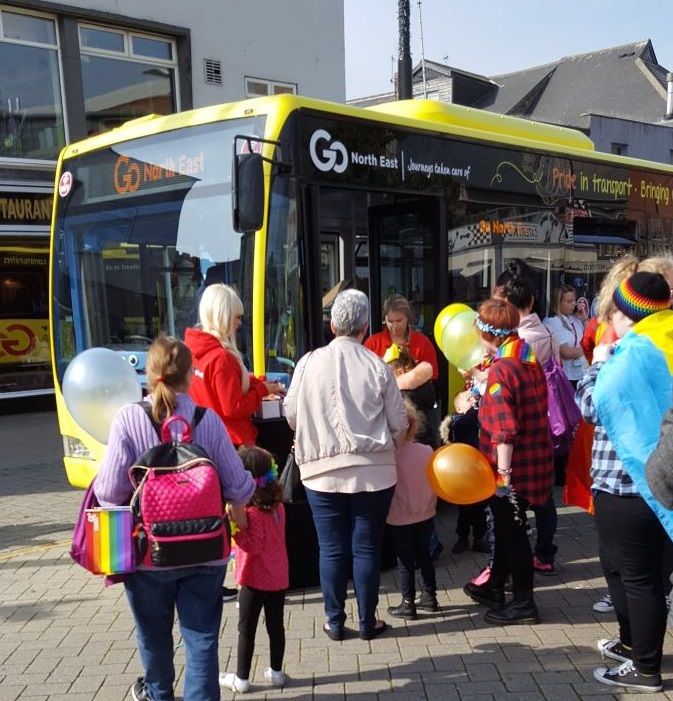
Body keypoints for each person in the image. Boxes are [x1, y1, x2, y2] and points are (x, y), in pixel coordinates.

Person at [93, 335, 255, 701]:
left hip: (148, 554)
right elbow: (238, 486)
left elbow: (108, 493)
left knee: (153, 636)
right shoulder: (207, 419)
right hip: (205, 550)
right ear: (189, 376)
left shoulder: (129, 418)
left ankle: (158, 694)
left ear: (148, 375)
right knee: (201, 640)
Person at [284, 289, 408, 641]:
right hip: (375, 471)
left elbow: (291, 414)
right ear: (366, 326)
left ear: (333, 324)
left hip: (320, 473)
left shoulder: (307, 363)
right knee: (366, 546)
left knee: (331, 548)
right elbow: (398, 422)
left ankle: (335, 622)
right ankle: (368, 623)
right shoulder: (377, 365)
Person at [576, 271, 672, 692]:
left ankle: (645, 667)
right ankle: (634, 646)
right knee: (639, 575)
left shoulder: (630, 354)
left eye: (613, 311)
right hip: (656, 483)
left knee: (639, 579)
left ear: (627, 314)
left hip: (628, 483)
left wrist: (595, 366)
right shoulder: (663, 343)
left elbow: (591, 407)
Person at [463, 298, 553, 625]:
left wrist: (502, 479)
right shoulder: (527, 358)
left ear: (489, 334)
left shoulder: (503, 369)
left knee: (513, 533)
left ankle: (524, 602)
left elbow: (504, 430)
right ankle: (495, 585)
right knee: (506, 529)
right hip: (536, 462)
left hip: (513, 470)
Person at [494, 262, 560, 575]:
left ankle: (532, 557)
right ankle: (543, 552)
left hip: (527, 422)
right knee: (543, 496)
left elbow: (507, 394)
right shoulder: (543, 331)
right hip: (540, 421)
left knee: (520, 499)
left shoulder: (521, 341)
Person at [219, 446, 289, 694]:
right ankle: (277, 672)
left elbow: (253, 546)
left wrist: (236, 528)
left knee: (246, 629)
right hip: (278, 578)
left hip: (253, 580)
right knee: (275, 626)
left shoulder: (252, 514)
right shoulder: (278, 508)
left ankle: (241, 678)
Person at [184, 283, 285, 449]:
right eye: (237, 317)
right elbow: (234, 407)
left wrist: (257, 383)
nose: (239, 324)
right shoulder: (222, 358)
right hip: (233, 443)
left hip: (205, 439)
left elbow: (222, 386)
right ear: (223, 317)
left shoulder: (193, 351)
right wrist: (262, 390)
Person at [364, 293, 439, 446]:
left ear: (408, 319)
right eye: (390, 321)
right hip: (383, 415)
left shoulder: (421, 342)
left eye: (399, 320)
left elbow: (433, 376)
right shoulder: (373, 343)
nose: (394, 326)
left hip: (418, 415)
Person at [386, 399, 437, 620]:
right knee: (424, 554)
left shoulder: (390, 457)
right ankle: (430, 597)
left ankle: (408, 602)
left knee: (405, 560)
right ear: (415, 426)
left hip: (399, 516)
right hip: (426, 512)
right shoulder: (427, 450)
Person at [385, 345, 438, 447]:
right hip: (427, 443)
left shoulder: (401, 393)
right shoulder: (423, 386)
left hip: (411, 443)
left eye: (389, 375)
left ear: (400, 372)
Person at [543, 284, 588, 387]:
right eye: (569, 301)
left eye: (574, 300)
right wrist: (588, 349)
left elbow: (589, 338)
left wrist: (584, 320)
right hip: (566, 376)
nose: (573, 304)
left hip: (581, 373)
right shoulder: (552, 321)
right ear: (558, 303)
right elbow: (566, 352)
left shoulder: (574, 318)